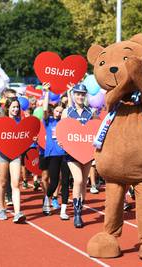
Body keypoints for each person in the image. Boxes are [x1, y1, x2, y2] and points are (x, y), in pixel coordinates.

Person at [62, 83, 95, 228]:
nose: (80, 96)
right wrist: (62, 142)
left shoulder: (91, 112)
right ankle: (76, 214)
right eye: (78, 94)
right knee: (78, 179)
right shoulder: (67, 112)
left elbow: (96, 131)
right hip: (72, 153)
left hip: (87, 152)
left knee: (84, 184)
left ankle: (80, 209)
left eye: (82, 94)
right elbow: (62, 131)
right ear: (73, 95)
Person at [40, 87, 71, 220]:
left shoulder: (65, 122)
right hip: (52, 155)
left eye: (61, 111)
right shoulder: (49, 121)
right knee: (53, 182)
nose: (58, 113)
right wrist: (46, 92)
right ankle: (47, 198)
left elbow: (70, 108)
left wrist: (69, 92)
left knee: (65, 182)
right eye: (57, 111)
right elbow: (45, 109)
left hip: (65, 154)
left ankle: (63, 209)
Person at [0, 97, 26, 223]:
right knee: (2, 182)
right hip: (2, 155)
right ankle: (2, 208)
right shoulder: (1, 121)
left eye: (17, 107)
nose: (15, 109)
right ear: (8, 108)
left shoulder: (21, 121)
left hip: (15, 155)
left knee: (15, 183)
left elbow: (24, 137)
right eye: (13, 107)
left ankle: (17, 213)